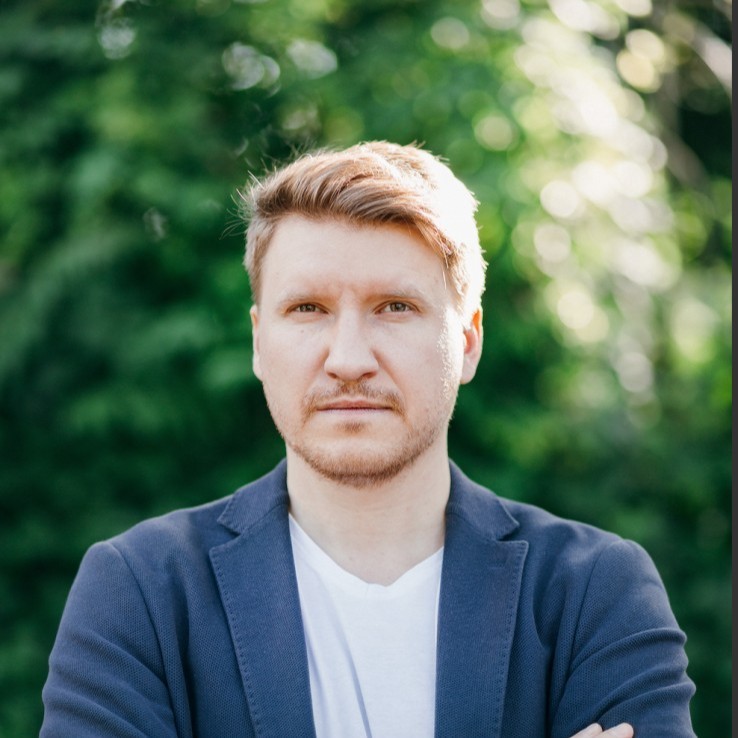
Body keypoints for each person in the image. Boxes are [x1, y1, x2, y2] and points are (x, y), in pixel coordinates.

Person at [41, 142, 695, 738]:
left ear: (468, 341)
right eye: (308, 309)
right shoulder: (139, 591)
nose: (348, 359)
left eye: (394, 308)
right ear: (258, 341)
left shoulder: (594, 592)